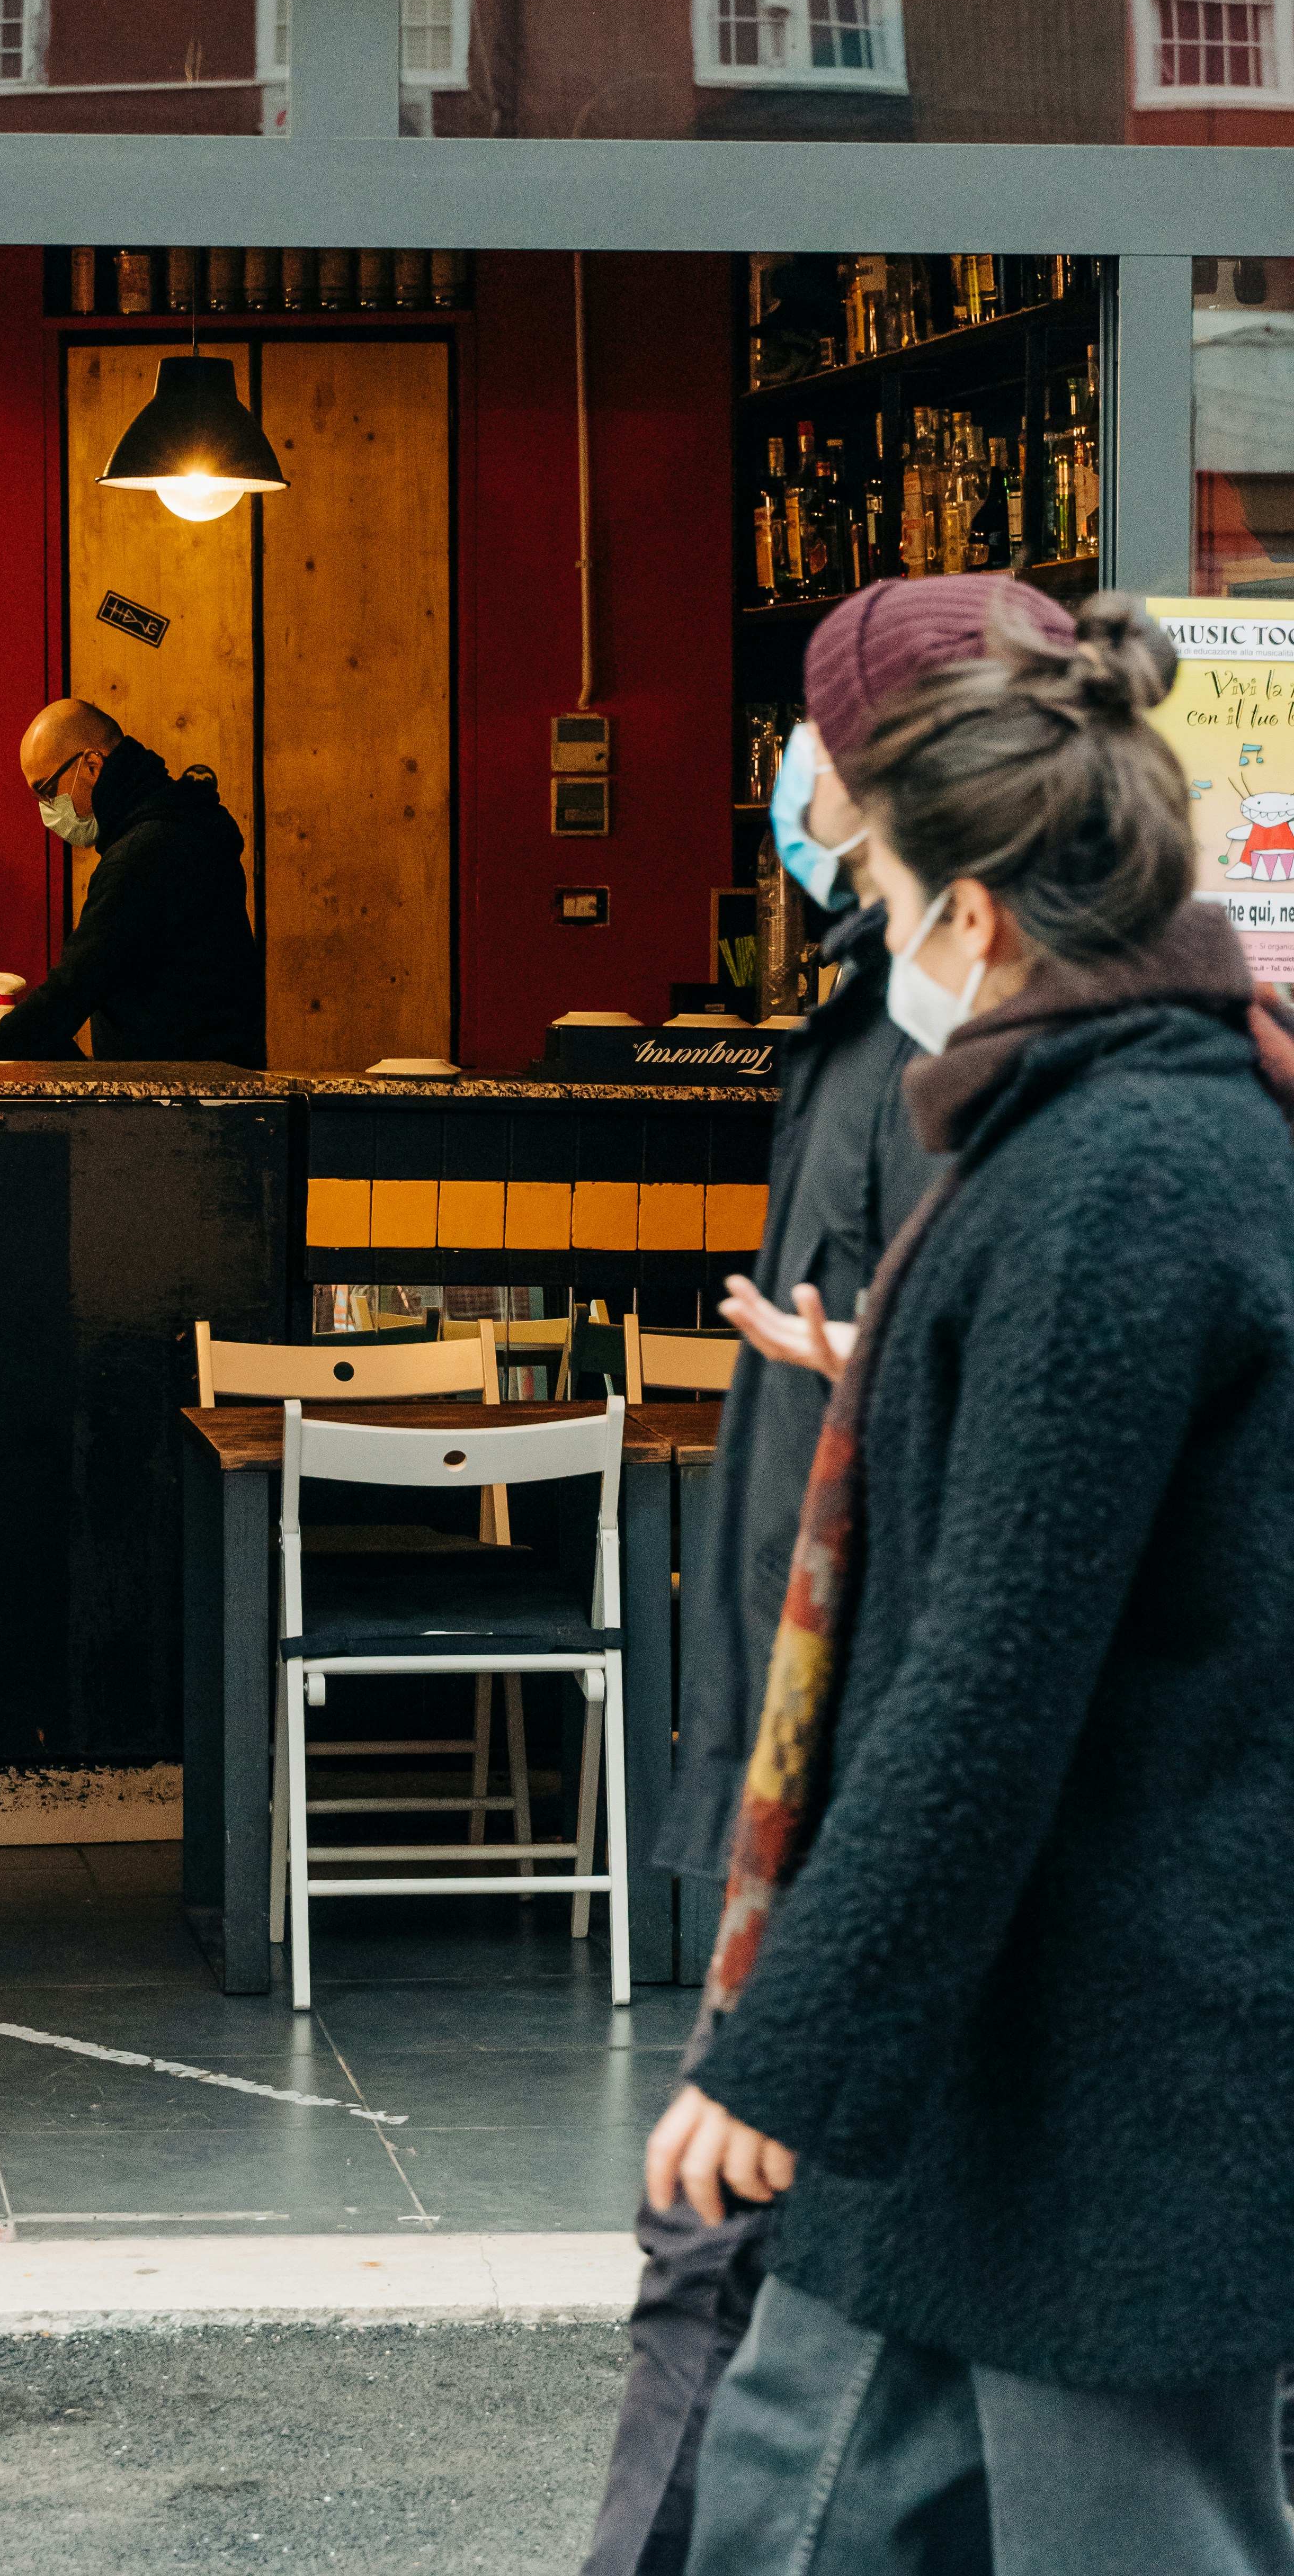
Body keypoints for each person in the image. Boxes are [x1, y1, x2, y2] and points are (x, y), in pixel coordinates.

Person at [648, 593, 1294, 2574]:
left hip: (1104, 2068)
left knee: (1090, 2533)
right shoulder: (1156, 1133)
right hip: (1020, 2065)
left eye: (872, 882)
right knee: (792, 2497)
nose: (865, 928)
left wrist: (785, 2043)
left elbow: (988, 1672)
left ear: (977, 917)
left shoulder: (1112, 1175)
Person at [583, 577, 1074, 2576]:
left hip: (851, 1755)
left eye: (829, 781)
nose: (804, 813)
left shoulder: (978, 1064)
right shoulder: (899, 1025)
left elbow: (993, 1508)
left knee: (733, 2261)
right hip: (808, 1717)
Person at [0, 697, 266, 1066]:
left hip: (181, 1102)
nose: (47, 809)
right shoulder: (181, 824)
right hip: (212, 1082)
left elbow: (75, 986)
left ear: (92, 765)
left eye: (48, 790)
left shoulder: (145, 853)